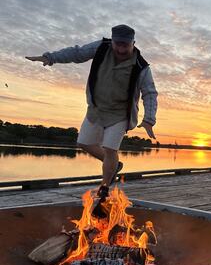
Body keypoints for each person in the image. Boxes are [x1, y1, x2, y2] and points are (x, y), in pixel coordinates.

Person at [26, 24, 158, 199]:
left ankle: (104, 188)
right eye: (117, 44)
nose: (120, 48)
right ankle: (114, 166)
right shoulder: (101, 48)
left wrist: (149, 119)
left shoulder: (141, 66)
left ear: (133, 43)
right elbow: (77, 53)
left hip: (120, 114)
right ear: (112, 41)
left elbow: (149, 92)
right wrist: (50, 57)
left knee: (110, 149)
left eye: (125, 45)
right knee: (84, 143)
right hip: (96, 109)